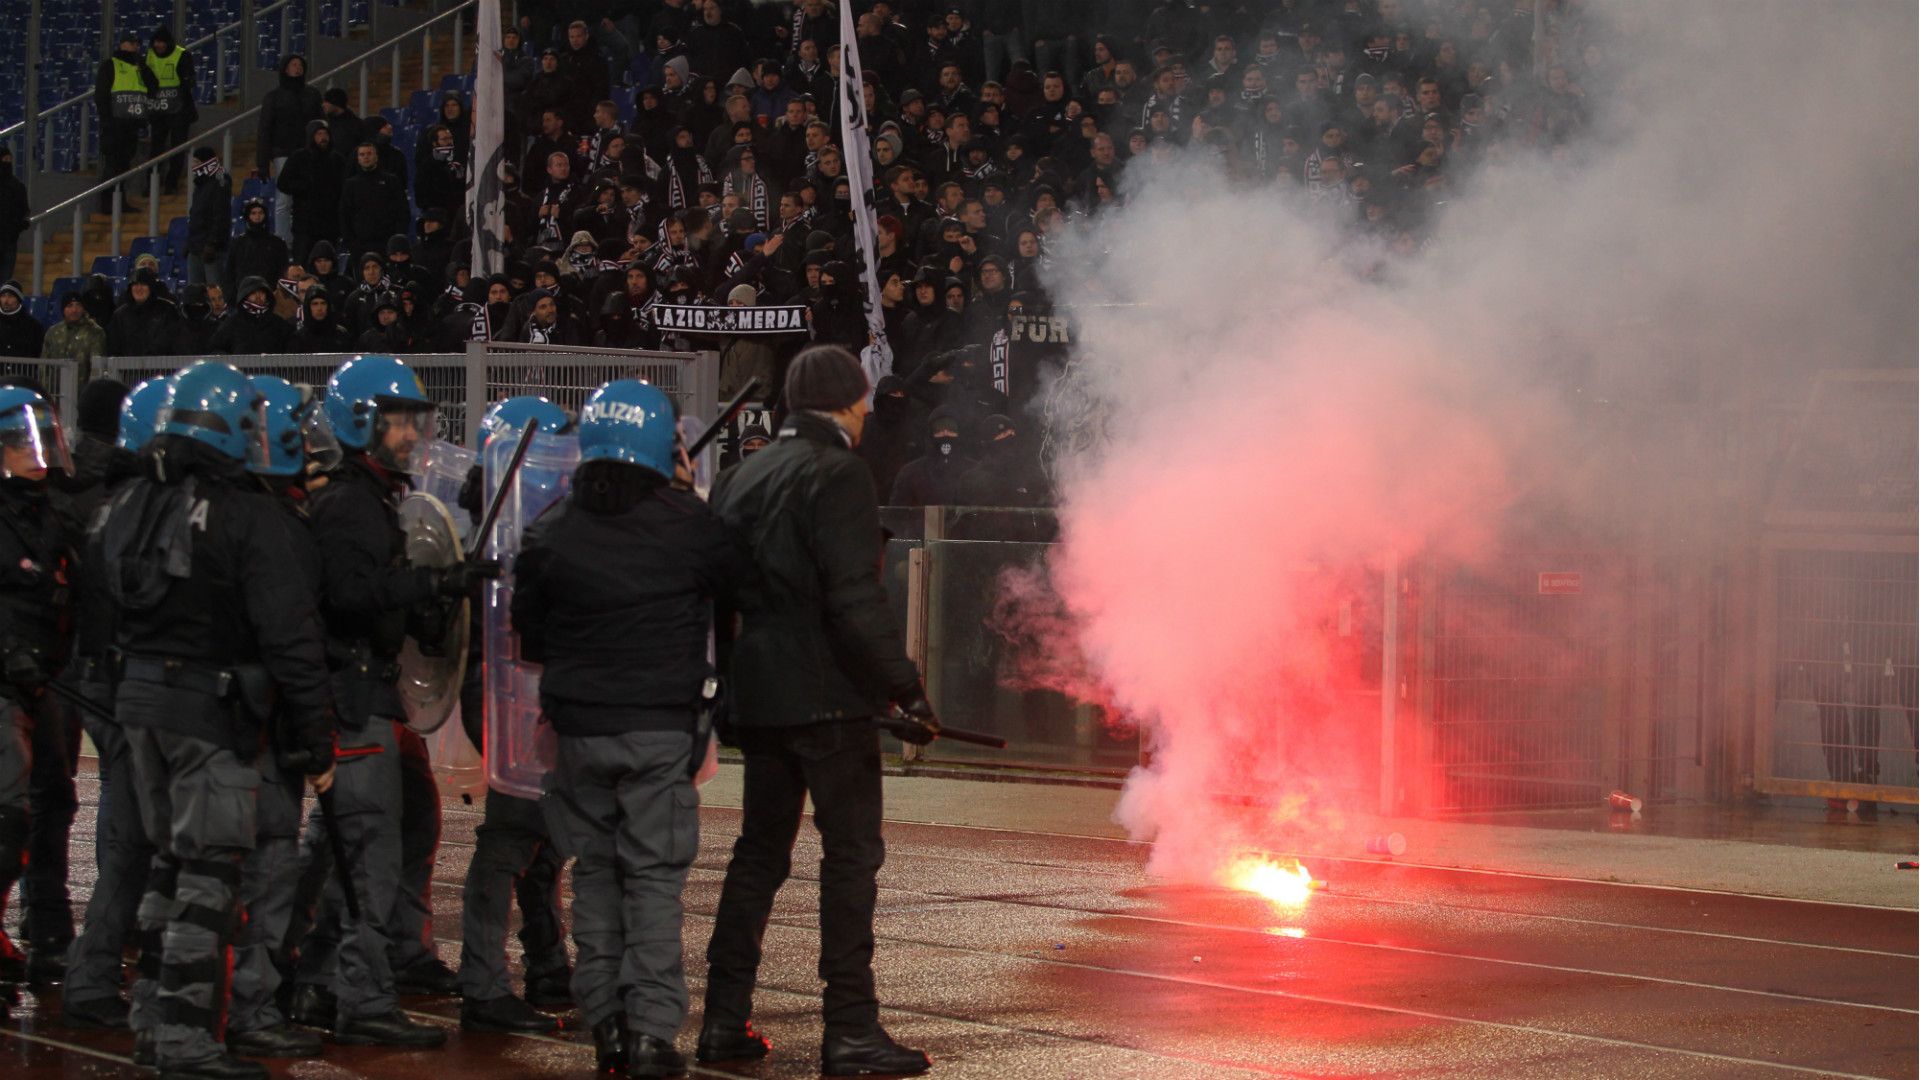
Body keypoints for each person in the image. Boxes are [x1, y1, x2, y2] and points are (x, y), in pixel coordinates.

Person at [703, 346, 935, 1076]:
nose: (868, 412)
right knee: (851, 859)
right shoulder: (840, 474)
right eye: (862, 401)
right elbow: (852, 598)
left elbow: (716, 594)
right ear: (845, 402)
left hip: (761, 695)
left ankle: (721, 1019)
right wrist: (906, 686)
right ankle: (851, 1029)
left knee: (758, 856)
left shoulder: (741, 475)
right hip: (829, 698)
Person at [101, 361, 336, 1080]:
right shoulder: (246, 513)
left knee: (167, 870)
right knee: (207, 878)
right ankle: (184, 1040)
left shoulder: (132, 499)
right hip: (209, 710)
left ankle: (151, 1021)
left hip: (138, 702)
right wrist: (316, 735)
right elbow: (289, 637)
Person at [513, 379, 746, 1078]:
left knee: (595, 878)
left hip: (577, 732)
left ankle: (606, 1027)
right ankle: (649, 1032)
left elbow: (531, 636)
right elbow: (738, 582)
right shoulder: (687, 523)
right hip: (658, 732)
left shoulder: (553, 527)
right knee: (652, 883)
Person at [288, 355, 485, 1047]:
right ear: (359, 421)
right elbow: (348, 596)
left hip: (371, 692)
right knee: (365, 850)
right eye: (397, 419)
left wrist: (434, 604)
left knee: (360, 840)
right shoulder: (348, 503)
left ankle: (309, 977)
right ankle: (359, 996)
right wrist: (433, 587)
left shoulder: (372, 498)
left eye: (413, 419)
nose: (411, 433)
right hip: (355, 693)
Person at [222, 375, 335, 1062]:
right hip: (257, 724)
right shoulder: (272, 524)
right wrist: (314, 736)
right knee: (263, 867)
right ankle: (249, 1005)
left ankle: (183, 1004)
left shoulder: (205, 509)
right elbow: (293, 641)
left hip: (208, 717)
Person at [455, 397, 574, 1036]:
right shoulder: (506, 514)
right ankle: (487, 981)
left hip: (507, 683)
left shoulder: (492, 509)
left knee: (538, 832)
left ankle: (544, 962)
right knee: (513, 835)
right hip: (504, 686)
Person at [57, 378, 161, 1031]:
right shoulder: (132, 503)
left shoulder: (84, 491)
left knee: (117, 827)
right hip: (122, 681)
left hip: (88, 673)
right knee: (131, 837)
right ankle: (95, 971)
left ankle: (94, 958)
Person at [256, 55, 323, 239]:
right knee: (284, 200)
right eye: (294, 64)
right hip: (283, 152)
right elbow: (265, 129)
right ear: (285, 68)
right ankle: (283, 241)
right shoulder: (273, 97)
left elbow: (320, 123)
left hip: (309, 152)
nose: (298, 68)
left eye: (300, 64)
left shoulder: (313, 94)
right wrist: (262, 162)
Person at [93, 32, 157, 211]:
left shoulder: (140, 66)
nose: (135, 46)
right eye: (131, 43)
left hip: (131, 125)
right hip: (114, 125)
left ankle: (120, 203)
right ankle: (108, 205)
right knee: (113, 165)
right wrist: (107, 120)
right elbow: (101, 95)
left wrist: (143, 66)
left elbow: (153, 87)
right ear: (122, 44)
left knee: (124, 165)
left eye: (137, 43)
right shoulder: (110, 65)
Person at [276, 120, 345, 266]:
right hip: (305, 226)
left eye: (325, 133)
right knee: (302, 266)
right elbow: (283, 183)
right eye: (319, 134)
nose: (323, 137)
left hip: (330, 225)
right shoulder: (299, 157)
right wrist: (306, 186)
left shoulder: (337, 159)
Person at [338, 143, 413, 263]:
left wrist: (397, 239)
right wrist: (351, 243)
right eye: (362, 154)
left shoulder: (391, 181)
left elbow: (403, 212)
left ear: (376, 156)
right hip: (360, 246)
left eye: (369, 154)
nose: (366, 157)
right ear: (358, 158)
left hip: (388, 245)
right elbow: (344, 215)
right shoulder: (350, 184)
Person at [144, 27, 197, 194]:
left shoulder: (182, 55)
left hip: (179, 110)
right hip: (158, 111)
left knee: (177, 147)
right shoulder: (150, 54)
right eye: (155, 42)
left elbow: (189, 81)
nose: (158, 45)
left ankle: (171, 183)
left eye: (161, 42)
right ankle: (151, 184)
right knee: (156, 148)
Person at [225, 200, 291, 302]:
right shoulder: (238, 243)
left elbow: (283, 271)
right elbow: (230, 272)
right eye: (253, 213)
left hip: (270, 295)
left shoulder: (277, 243)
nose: (257, 216)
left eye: (260, 213)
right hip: (243, 295)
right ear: (248, 216)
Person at [187, 148, 232, 290]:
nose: (193, 166)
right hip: (195, 245)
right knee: (194, 292)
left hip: (212, 248)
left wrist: (212, 243)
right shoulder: (201, 184)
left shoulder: (220, 181)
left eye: (196, 162)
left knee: (215, 291)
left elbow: (221, 216)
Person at [0, 148, 26, 286]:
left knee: (5, 281)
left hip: (10, 240)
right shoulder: (17, 185)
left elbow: (23, 210)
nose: (7, 163)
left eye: (8, 160)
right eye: (4, 160)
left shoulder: (17, 186)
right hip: (10, 238)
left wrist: (17, 227)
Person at [0, 281, 44, 358]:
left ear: (18, 299)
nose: (6, 301)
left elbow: (38, 353)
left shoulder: (33, 326)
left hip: (23, 369)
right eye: (3, 296)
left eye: (10, 296)